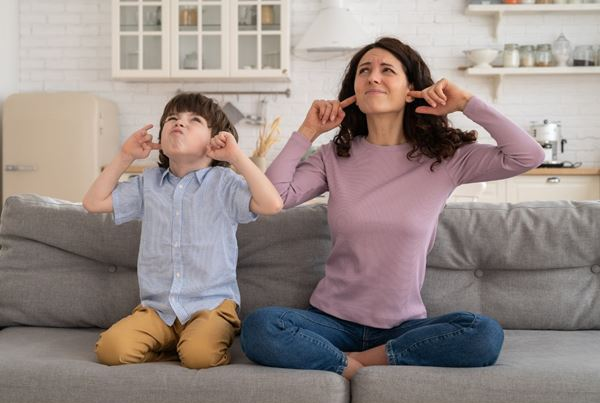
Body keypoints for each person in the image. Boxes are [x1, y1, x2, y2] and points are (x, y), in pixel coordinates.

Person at [240, 37, 545, 380]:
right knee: (261, 327)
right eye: (364, 71)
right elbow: (274, 197)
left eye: (387, 70)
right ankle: (362, 363)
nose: (373, 78)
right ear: (353, 88)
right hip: (330, 322)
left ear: (411, 88)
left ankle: (351, 363)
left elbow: (528, 156)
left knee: (483, 333)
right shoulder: (333, 157)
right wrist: (308, 132)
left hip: (403, 327)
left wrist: (467, 103)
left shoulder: (445, 158)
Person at [83, 92, 283, 369]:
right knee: (110, 350)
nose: (179, 123)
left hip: (210, 306)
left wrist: (236, 156)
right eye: (173, 118)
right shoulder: (148, 183)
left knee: (200, 356)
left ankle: (197, 342)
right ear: (161, 139)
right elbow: (93, 203)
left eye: (194, 120)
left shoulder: (224, 183)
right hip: (158, 310)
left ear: (215, 139)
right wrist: (125, 155)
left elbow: (272, 204)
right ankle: (177, 346)